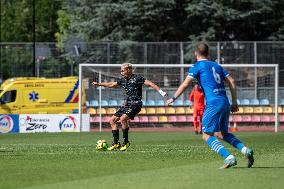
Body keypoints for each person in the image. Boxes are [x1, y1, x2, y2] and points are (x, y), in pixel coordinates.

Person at [166, 42, 254, 169]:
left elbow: (185, 84)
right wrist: (234, 101)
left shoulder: (197, 66)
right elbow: (232, 81)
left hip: (213, 103)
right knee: (222, 133)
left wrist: (173, 98)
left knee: (206, 134)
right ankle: (245, 150)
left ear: (196, 53)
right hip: (225, 101)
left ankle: (228, 157)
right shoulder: (217, 66)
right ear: (208, 54)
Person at [92, 63, 167, 151]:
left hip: (136, 104)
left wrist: (162, 92)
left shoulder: (137, 78)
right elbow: (111, 84)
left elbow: (150, 83)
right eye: (121, 71)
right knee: (112, 121)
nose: (121, 72)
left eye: (123, 70)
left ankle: (126, 142)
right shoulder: (123, 80)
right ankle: (116, 143)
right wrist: (99, 84)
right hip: (127, 104)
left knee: (123, 119)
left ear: (129, 70)